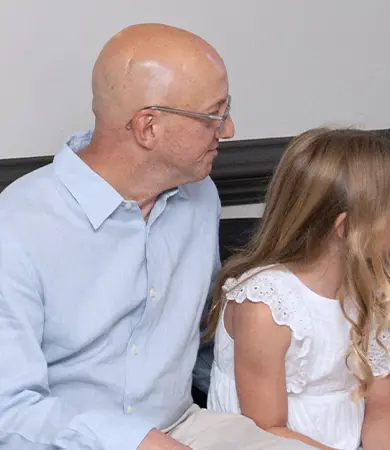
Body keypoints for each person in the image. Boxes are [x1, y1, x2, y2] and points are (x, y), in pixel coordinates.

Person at [0, 23, 312, 450]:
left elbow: (204, 343)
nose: (229, 129)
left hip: (185, 426)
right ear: (148, 127)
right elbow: (10, 412)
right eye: (214, 114)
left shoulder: (201, 197)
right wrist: (136, 442)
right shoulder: (16, 225)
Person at [204, 128, 390, 450]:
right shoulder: (267, 305)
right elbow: (267, 431)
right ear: (346, 228)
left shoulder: (372, 287)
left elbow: (383, 414)